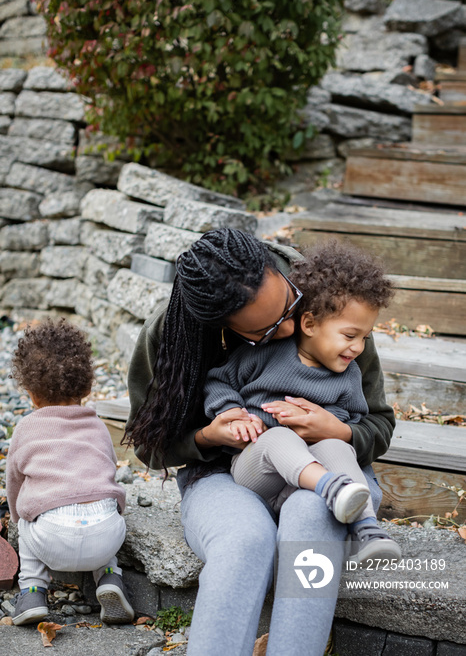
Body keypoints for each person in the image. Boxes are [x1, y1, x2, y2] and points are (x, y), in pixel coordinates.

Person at [125, 228, 396, 656]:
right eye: (267, 330)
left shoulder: (330, 296)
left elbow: (377, 422)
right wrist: (207, 435)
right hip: (225, 474)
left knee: (313, 511)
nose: (289, 328)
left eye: (289, 307)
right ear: (223, 329)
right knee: (244, 540)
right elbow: (150, 445)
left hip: (327, 464)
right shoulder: (172, 333)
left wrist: (337, 430)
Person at [203, 241, 401, 564]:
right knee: (279, 437)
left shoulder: (349, 376)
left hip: (303, 486)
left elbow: (361, 422)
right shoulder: (264, 354)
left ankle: (367, 529)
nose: (359, 348)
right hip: (258, 472)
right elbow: (219, 380)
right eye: (350, 336)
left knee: (337, 447)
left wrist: (336, 429)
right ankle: (331, 488)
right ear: (309, 324)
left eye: (365, 338)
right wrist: (230, 412)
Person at [6, 318, 134, 626]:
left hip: (51, 538)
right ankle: (109, 578)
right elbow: (106, 475)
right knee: (99, 502)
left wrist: (15, 517)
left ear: (31, 394)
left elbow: (14, 484)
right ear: (88, 387)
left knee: (25, 516)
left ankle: (33, 591)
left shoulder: (25, 429)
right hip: (106, 536)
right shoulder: (99, 427)